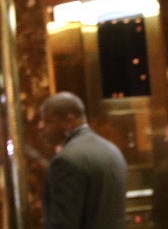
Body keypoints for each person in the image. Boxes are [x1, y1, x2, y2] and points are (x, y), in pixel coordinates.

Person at [38, 91, 128, 229]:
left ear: (69, 121)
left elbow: (63, 224)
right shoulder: (112, 150)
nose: (41, 126)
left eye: (48, 121)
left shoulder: (66, 160)